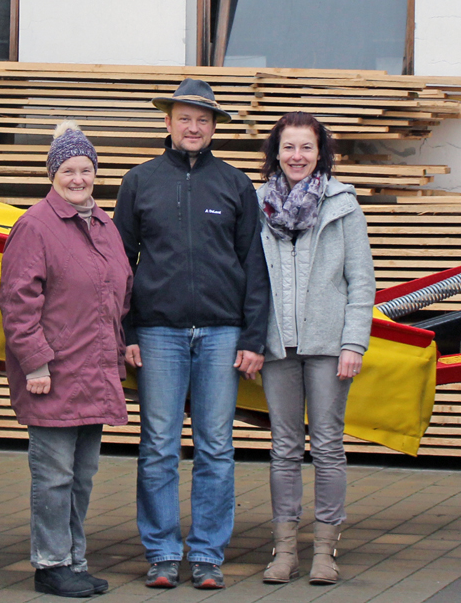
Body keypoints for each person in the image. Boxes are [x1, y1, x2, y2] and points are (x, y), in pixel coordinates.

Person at [113, 78, 270, 591]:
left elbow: (254, 264)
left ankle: (206, 554)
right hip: (157, 333)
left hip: (223, 334)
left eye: (203, 119)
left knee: (216, 446)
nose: (193, 126)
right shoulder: (140, 182)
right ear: (168, 122)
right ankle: (161, 552)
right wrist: (128, 329)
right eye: (185, 117)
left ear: (213, 127)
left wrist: (251, 338)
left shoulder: (235, 184)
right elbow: (119, 265)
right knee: (158, 444)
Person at [0, 121, 135, 598]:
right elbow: (17, 302)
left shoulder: (104, 225)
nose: (79, 179)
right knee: (54, 476)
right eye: (69, 170)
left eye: (86, 170)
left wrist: (120, 350)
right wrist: (36, 362)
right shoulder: (34, 225)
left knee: (81, 475)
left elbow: (118, 294)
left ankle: (74, 561)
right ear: (53, 173)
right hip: (53, 375)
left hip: (94, 372)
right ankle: (50, 564)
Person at [256, 111, 374, 586]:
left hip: (328, 346)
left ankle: (325, 551)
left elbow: (360, 280)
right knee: (283, 447)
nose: (297, 156)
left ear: (320, 152)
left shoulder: (342, 203)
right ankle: (284, 551)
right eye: (288, 147)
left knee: (327, 446)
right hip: (276, 346)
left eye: (306, 147)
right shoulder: (257, 202)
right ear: (276, 153)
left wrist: (353, 342)